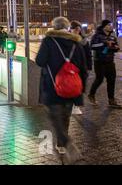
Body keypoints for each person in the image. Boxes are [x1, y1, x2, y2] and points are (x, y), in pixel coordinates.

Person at [35, 17, 87, 164]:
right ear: (67, 27)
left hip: (53, 87)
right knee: (65, 116)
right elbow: (83, 68)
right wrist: (81, 89)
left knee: (55, 116)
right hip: (72, 88)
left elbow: (40, 61)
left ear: (54, 27)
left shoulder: (48, 41)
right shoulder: (76, 43)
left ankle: (67, 142)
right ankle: (61, 143)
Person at [88, 20, 121, 107]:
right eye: (109, 25)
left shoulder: (112, 37)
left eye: (111, 24)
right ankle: (91, 95)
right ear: (104, 26)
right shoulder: (97, 36)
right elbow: (92, 46)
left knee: (111, 80)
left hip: (110, 61)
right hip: (99, 61)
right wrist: (104, 43)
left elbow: (116, 47)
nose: (111, 26)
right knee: (99, 79)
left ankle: (111, 100)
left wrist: (115, 47)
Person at [69, 21, 92, 115]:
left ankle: (76, 106)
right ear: (70, 29)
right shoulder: (67, 40)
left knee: (79, 87)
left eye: (78, 29)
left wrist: (89, 66)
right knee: (70, 86)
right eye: (74, 29)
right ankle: (70, 104)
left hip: (81, 68)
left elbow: (88, 54)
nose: (76, 30)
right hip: (70, 67)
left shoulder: (84, 41)